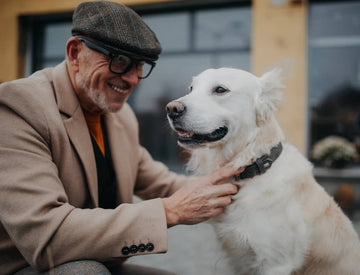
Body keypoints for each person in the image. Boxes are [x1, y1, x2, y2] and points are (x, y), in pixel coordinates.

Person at [0, 1, 241, 274]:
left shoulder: (121, 115)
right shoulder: (17, 107)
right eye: (119, 61)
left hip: (100, 260)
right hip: (29, 266)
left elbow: (162, 183)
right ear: (75, 52)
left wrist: (243, 187)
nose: (133, 79)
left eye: (140, 65)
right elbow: (47, 236)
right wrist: (169, 212)